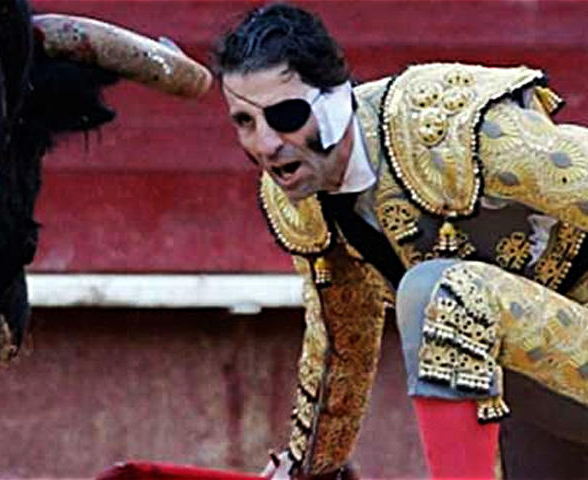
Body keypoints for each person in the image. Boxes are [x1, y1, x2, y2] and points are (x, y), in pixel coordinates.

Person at [212, 3, 588, 479]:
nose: (265, 145)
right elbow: (342, 344)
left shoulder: (441, 125)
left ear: (336, 100)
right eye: (244, 122)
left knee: (442, 295)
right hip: (545, 400)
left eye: (286, 115)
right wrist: (309, 469)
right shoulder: (303, 198)